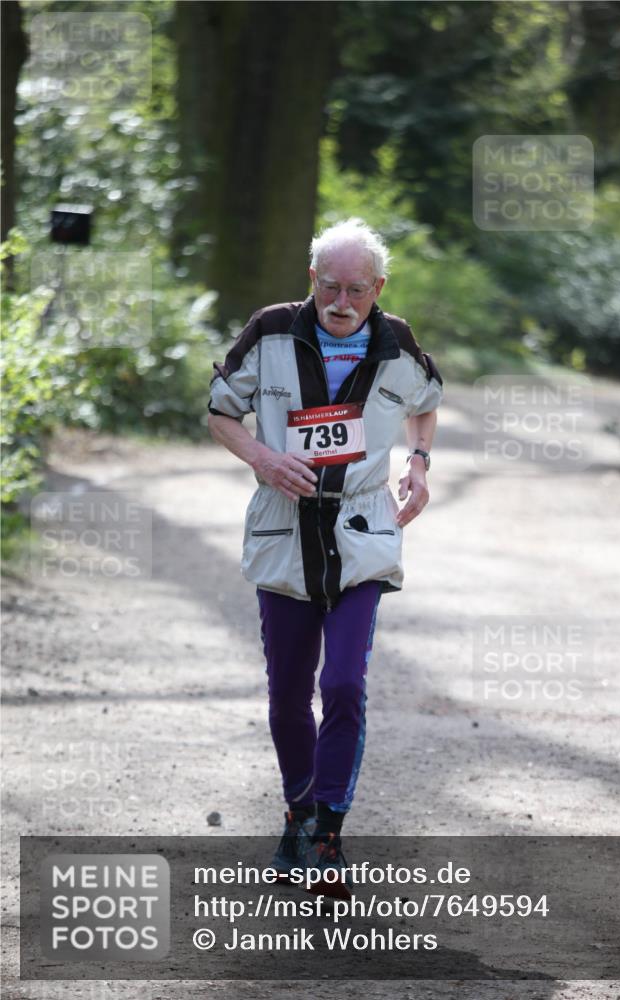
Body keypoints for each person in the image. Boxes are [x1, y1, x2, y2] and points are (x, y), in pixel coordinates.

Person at [207, 218, 443, 893]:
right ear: (312, 280)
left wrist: (419, 464)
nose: (342, 304)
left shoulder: (396, 341)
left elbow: (425, 402)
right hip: (284, 530)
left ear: (378, 290)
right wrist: (261, 456)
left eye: (357, 292)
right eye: (330, 287)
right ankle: (297, 810)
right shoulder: (272, 330)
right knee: (287, 694)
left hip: (361, 531)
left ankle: (327, 834)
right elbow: (219, 410)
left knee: (341, 683)